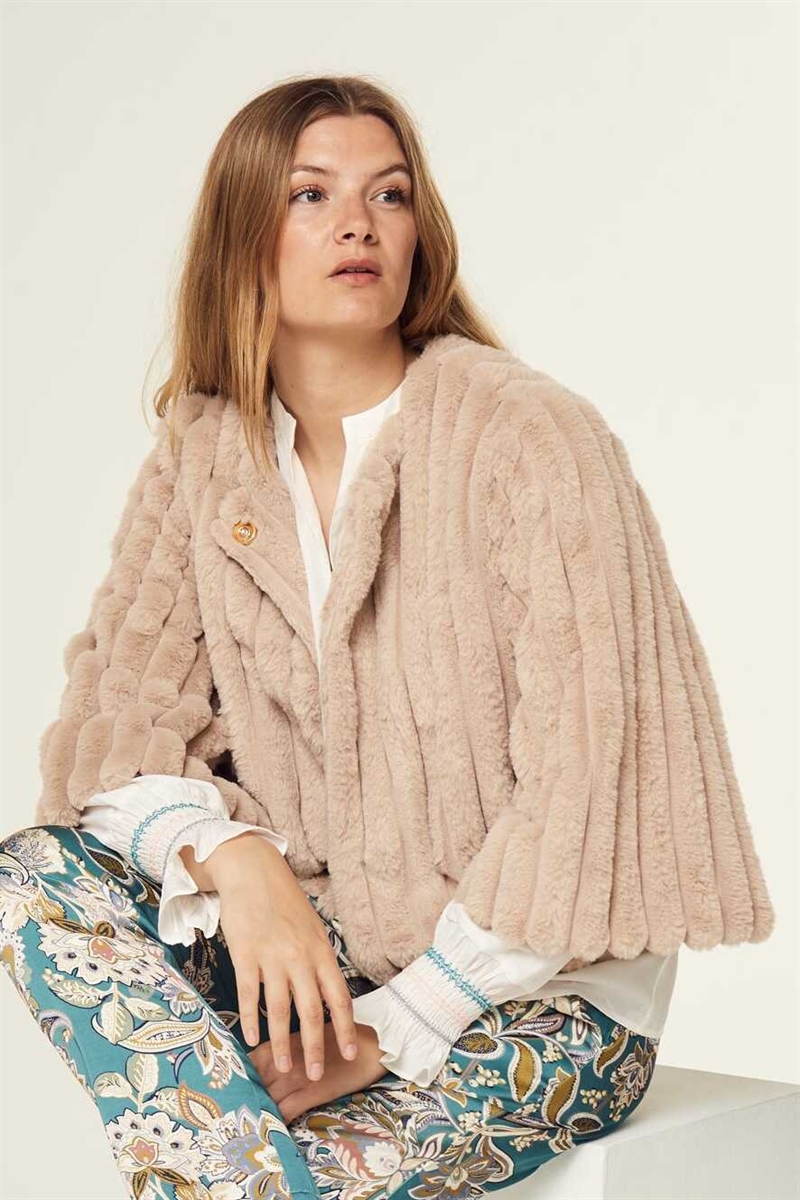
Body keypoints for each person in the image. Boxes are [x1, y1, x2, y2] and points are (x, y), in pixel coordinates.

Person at [0, 74, 775, 1200]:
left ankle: (231, 1170)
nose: (357, 224)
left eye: (389, 194)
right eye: (310, 195)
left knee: (284, 1171)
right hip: (320, 961)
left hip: (539, 998)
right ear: (243, 236)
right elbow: (113, 738)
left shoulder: (529, 436)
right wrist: (238, 863)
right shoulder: (202, 458)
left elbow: (587, 780)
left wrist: (400, 1020)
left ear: (419, 233)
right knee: (40, 877)